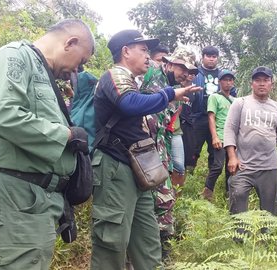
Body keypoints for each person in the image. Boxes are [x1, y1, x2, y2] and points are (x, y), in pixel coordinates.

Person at [0, 19, 95, 269]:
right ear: (70, 42)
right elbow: (2, 114)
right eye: (81, 62)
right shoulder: (14, 56)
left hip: (36, 200)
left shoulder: (43, 72)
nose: (77, 71)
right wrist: (66, 135)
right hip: (18, 197)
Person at [90, 29, 200, 270]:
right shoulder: (114, 75)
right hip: (114, 166)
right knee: (112, 241)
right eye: (143, 50)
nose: (148, 56)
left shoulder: (134, 81)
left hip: (136, 169)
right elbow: (130, 104)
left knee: (147, 240)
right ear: (126, 51)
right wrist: (170, 93)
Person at [140, 46, 199, 258]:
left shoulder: (175, 89)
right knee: (145, 201)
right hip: (140, 150)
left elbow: (166, 128)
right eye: (182, 67)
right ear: (171, 62)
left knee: (165, 199)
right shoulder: (151, 72)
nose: (186, 73)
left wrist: (168, 162)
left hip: (159, 151)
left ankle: (163, 252)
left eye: (190, 71)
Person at [224, 66, 277, 217]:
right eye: (257, 80)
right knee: (237, 199)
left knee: (270, 210)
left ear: (271, 84)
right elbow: (230, 130)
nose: (261, 84)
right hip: (243, 165)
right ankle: (238, 239)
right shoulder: (240, 103)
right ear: (251, 83)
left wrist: (266, 143)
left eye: (266, 80)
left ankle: (266, 239)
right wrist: (232, 157)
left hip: (270, 167)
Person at [188, 46, 237, 172]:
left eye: (214, 57)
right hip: (198, 116)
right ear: (203, 57)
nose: (211, 59)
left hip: (218, 118)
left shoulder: (223, 75)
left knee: (215, 147)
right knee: (194, 147)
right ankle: (188, 171)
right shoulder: (196, 73)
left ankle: (212, 173)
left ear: (217, 58)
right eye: (208, 56)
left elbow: (232, 95)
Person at [202, 69, 236, 201]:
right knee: (217, 166)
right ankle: (207, 192)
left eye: (230, 80)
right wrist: (215, 137)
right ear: (220, 82)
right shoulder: (214, 97)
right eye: (225, 80)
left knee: (231, 168)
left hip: (232, 138)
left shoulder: (235, 100)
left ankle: (229, 193)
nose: (228, 83)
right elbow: (211, 117)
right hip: (220, 136)